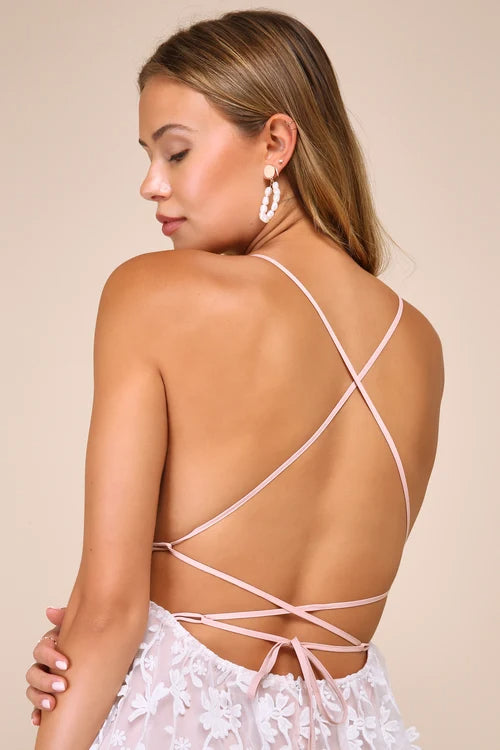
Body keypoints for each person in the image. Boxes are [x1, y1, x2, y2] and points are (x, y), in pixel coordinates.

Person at [25, 8, 444, 749]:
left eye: (176, 152)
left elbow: (110, 614)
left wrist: (80, 665)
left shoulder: (152, 294)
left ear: (276, 143)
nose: (151, 184)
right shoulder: (419, 344)